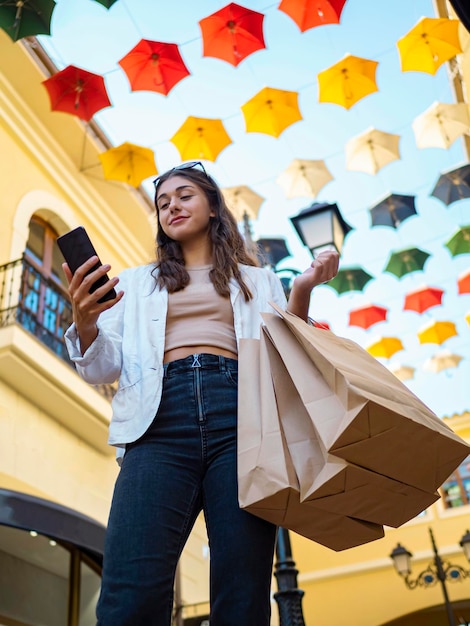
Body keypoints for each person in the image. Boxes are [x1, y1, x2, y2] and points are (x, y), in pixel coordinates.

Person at [63, 161, 339, 626]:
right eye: (162, 202)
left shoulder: (260, 281)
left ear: (213, 206)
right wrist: (86, 321)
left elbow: (288, 352)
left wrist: (304, 288)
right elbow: (103, 366)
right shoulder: (133, 282)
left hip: (242, 421)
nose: (171, 206)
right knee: (130, 591)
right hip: (156, 423)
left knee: (242, 593)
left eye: (184, 195)